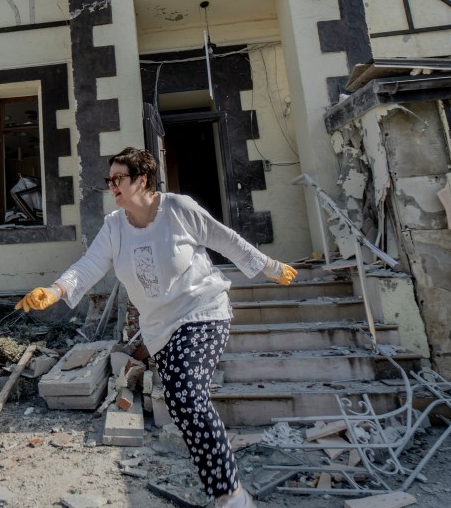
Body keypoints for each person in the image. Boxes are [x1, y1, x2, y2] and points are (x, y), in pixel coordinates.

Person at [15, 147, 298, 508]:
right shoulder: (114, 226)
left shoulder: (178, 209)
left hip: (203, 311)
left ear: (142, 179)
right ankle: (224, 490)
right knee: (183, 404)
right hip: (159, 328)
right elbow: (88, 266)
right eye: (109, 180)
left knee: (186, 395)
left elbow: (225, 238)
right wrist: (54, 291)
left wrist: (269, 267)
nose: (112, 186)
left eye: (119, 178)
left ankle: (231, 495)